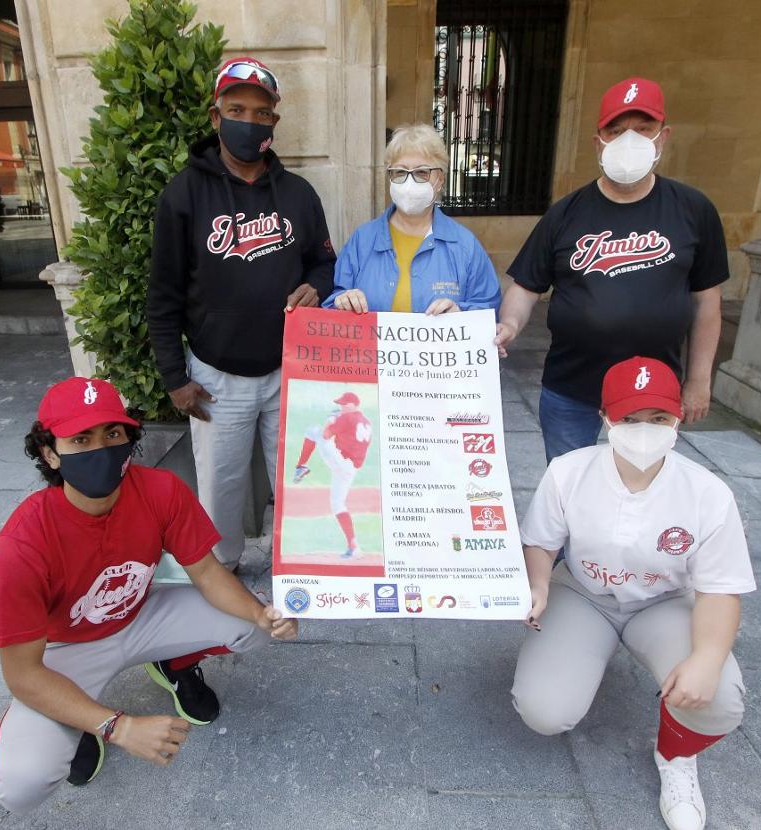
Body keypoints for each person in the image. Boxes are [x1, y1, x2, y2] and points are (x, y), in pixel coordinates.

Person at [0, 377, 297, 813]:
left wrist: (264, 615)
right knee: (21, 787)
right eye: (81, 439)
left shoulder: (160, 490)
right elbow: (21, 674)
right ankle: (81, 722)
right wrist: (119, 726)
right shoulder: (21, 547)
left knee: (254, 624)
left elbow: (206, 571)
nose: (101, 449)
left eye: (112, 434)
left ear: (130, 438)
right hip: (65, 648)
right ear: (49, 453)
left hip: (140, 614)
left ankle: (173, 665)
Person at [512, 357, 754, 830]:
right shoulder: (568, 471)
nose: (644, 431)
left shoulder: (707, 493)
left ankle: (677, 757)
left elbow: (721, 590)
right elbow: (540, 542)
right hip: (583, 592)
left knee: (721, 698)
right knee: (544, 709)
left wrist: (705, 660)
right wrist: (538, 583)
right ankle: (584, 657)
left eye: (658, 419)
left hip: (664, 601)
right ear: (605, 418)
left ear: (677, 419)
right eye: (629, 419)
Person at [146, 57, 336, 570]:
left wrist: (315, 288)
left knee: (299, 479)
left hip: (289, 370)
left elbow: (325, 264)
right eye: (236, 109)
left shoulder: (297, 194)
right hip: (215, 377)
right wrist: (173, 378)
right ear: (215, 117)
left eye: (260, 112)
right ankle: (224, 568)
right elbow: (162, 294)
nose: (248, 121)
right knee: (220, 488)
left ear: (274, 121)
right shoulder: (183, 195)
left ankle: (298, 563)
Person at [495, 78, 728, 461]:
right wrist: (511, 326)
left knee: (642, 487)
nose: (628, 140)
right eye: (616, 131)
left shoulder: (692, 210)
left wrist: (699, 380)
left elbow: (707, 302)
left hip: (652, 395)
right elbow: (526, 286)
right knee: (569, 483)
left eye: (643, 129)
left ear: (663, 136)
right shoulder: (565, 214)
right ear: (597, 141)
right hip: (571, 388)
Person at [324, 123, 500, 315]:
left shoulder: (464, 246)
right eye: (400, 172)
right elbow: (332, 301)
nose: (409, 182)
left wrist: (461, 311)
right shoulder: (362, 241)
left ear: (439, 179)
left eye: (421, 172)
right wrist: (341, 301)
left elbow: (488, 308)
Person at [290, 391, 372, 558]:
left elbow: (326, 434)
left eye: (343, 404)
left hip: (341, 460)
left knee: (313, 430)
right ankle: (354, 546)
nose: (340, 407)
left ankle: (301, 466)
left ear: (352, 404)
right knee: (338, 504)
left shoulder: (348, 417)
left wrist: (331, 420)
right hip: (351, 468)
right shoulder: (366, 421)